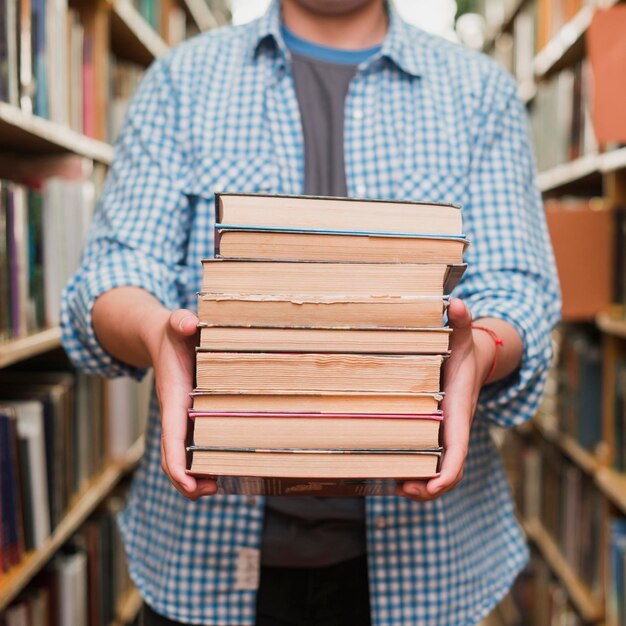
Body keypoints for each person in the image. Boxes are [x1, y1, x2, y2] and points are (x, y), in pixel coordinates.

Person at [61, 0, 561, 624]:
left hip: (434, 568)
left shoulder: (479, 91)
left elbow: (520, 292)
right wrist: (154, 332)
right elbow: (113, 272)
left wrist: (479, 350)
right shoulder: (182, 81)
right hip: (204, 565)